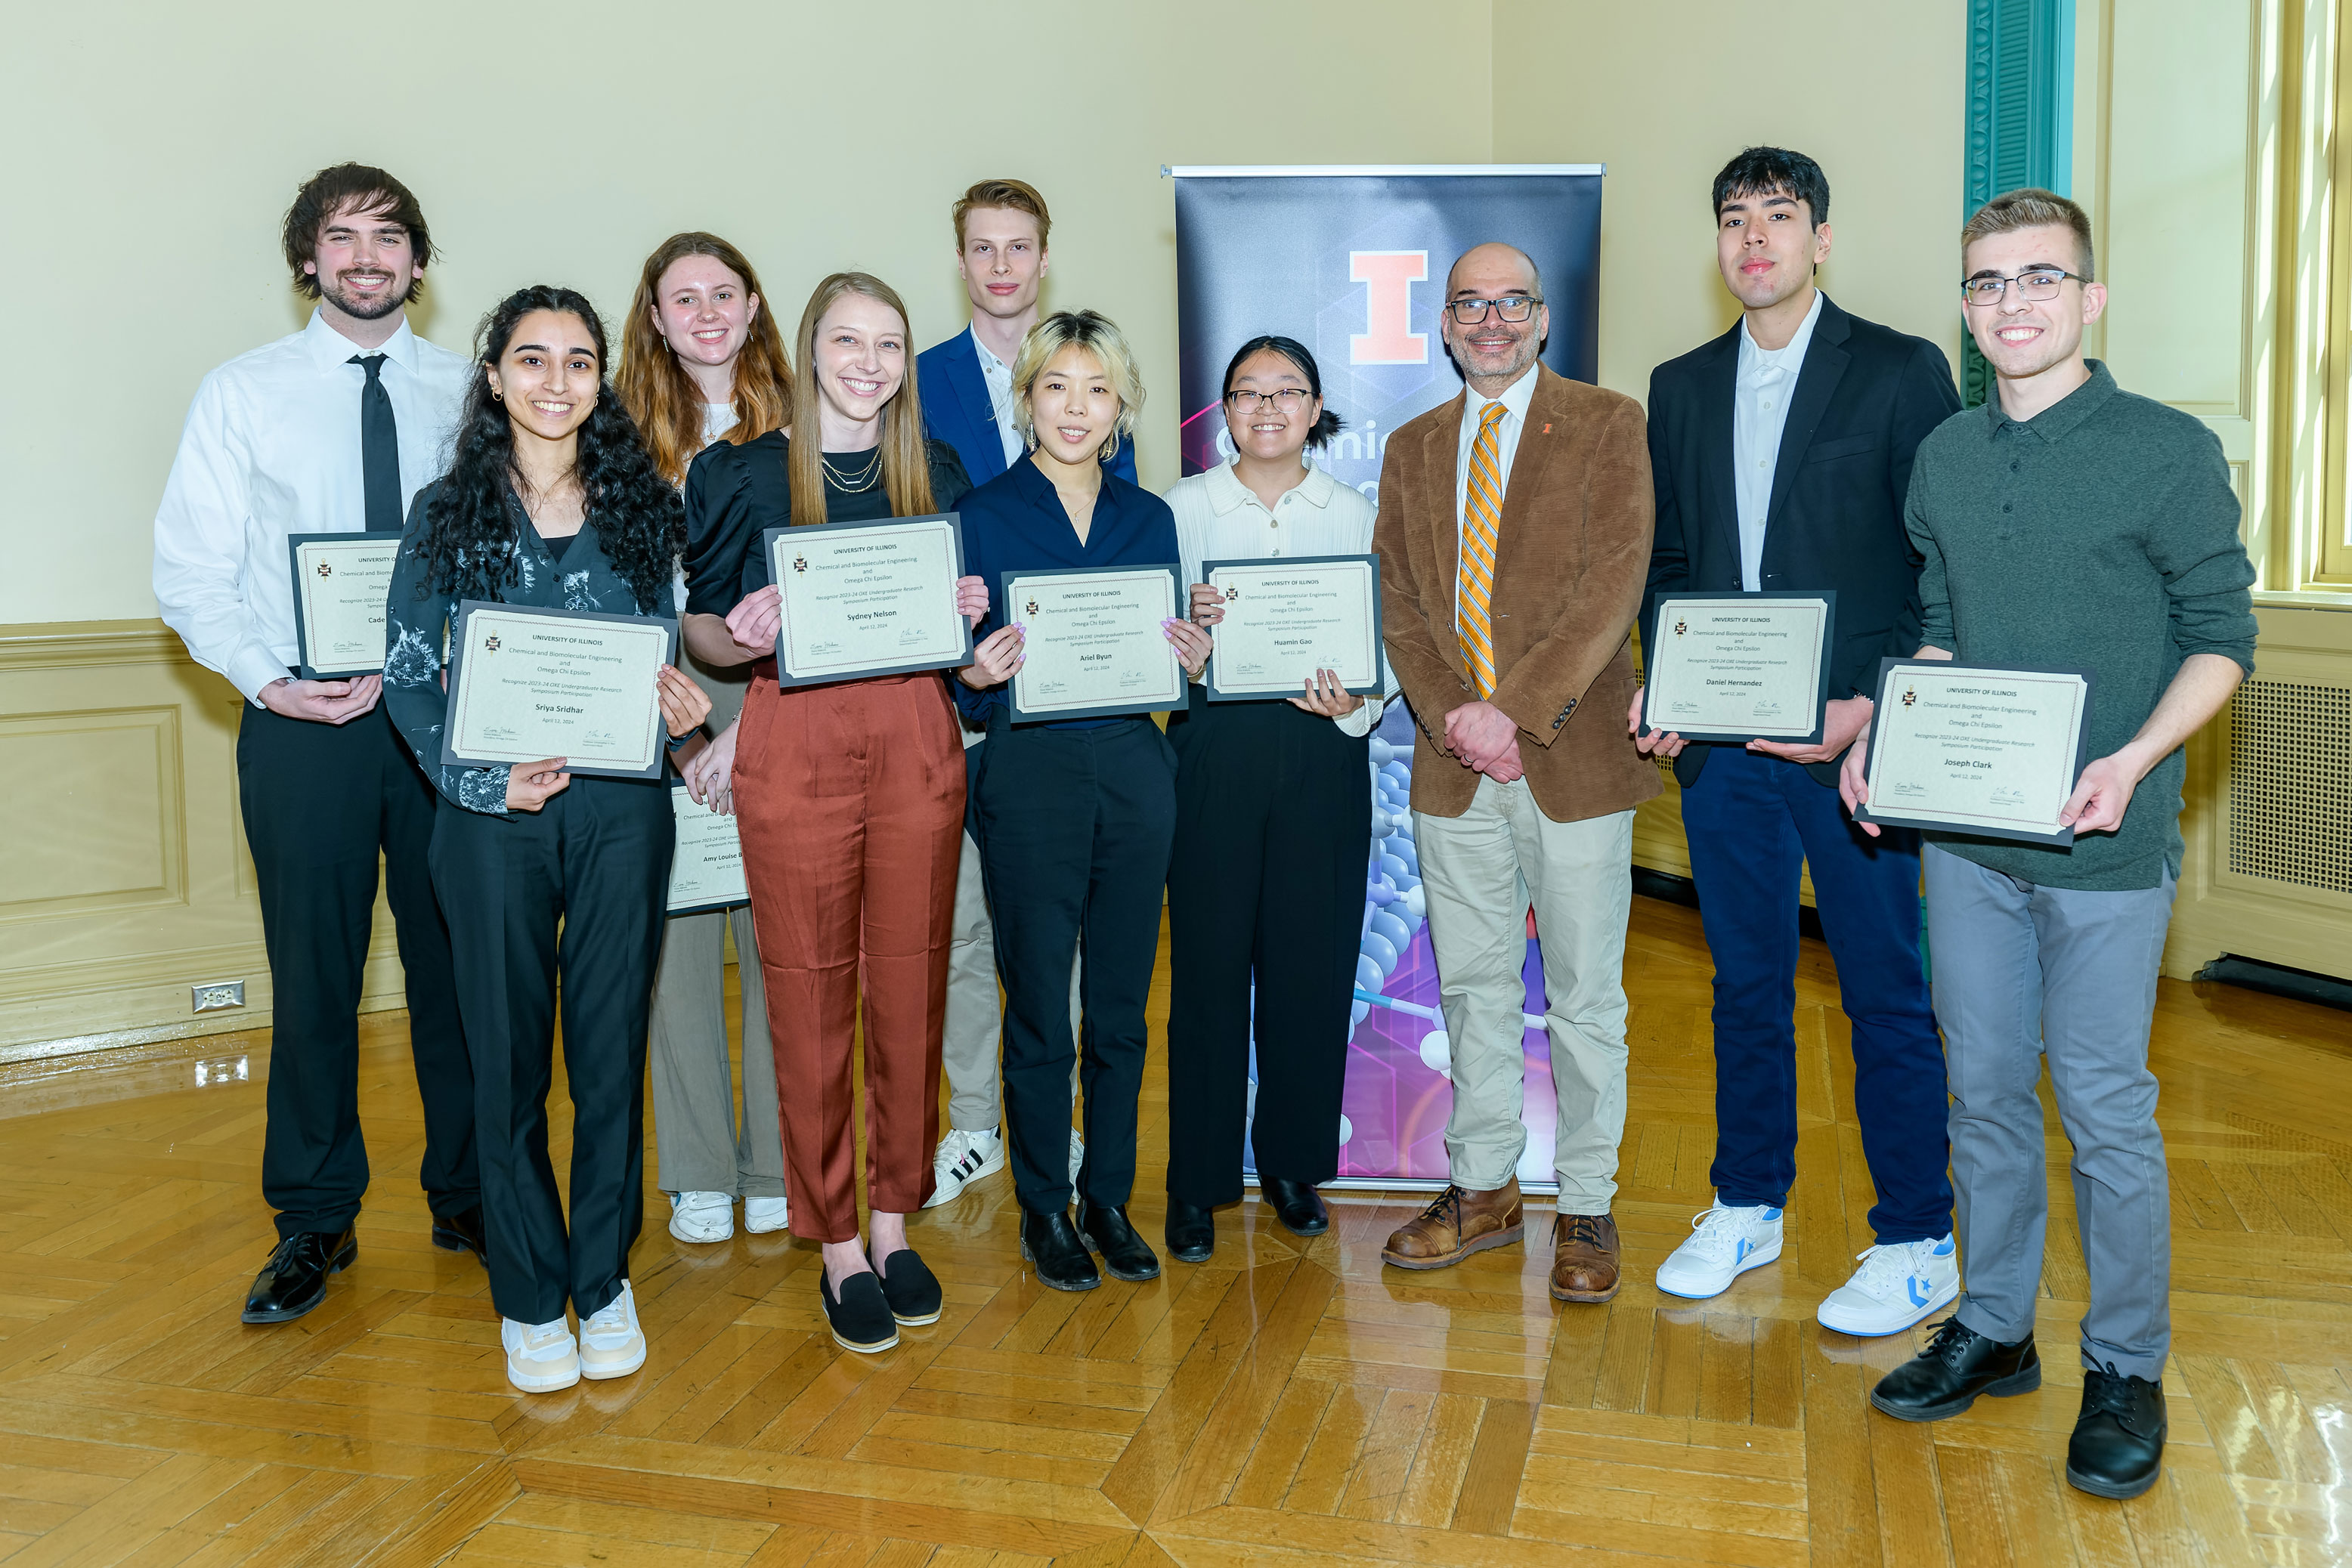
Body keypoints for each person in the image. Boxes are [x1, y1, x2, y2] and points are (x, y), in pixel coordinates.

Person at [1846, 189, 2255, 1502]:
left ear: (2087, 298)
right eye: (1986, 284)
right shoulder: (1947, 458)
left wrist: (2132, 764)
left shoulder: (2164, 450)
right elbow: (1942, 625)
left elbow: (2219, 640)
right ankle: (1994, 1325)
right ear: (1965, 312)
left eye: (2038, 279)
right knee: (1978, 1096)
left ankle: (2126, 1364)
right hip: (1965, 843)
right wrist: (1887, 741)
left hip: (2107, 847)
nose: (2011, 303)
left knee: (2103, 1110)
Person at [1633, 147, 1962, 1334]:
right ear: (1717, 244)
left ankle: (1920, 1234)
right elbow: (1671, 566)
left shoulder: (1899, 370)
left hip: (1858, 751)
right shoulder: (1678, 383)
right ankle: (1746, 1200)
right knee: (1745, 985)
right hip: (1725, 760)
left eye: (1779, 216)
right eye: (1734, 218)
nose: (1755, 237)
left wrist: (1873, 702)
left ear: (1822, 237)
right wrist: (1663, 679)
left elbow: (1943, 565)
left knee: (1884, 990)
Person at [152, 162, 481, 1327]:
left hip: (447, 725)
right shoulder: (241, 392)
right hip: (305, 726)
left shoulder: (474, 390)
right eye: (340, 238)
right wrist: (269, 683)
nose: (365, 257)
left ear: (419, 263)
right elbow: (191, 571)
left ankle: (470, 1192)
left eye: (388, 237)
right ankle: (313, 1215)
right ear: (308, 259)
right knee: (316, 977)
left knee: (460, 972)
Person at [382, 285, 712, 1394]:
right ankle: (530, 1294)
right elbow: (411, 675)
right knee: (507, 1057)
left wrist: (678, 707)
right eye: (532, 359)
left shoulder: (648, 506)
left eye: (578, 361)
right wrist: (483, 778)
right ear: (495, 379)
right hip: (490, 819)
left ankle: (602, 1276)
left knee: (611, 1049)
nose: (556, 381)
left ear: (599, 383)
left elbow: (664, 648)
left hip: (622, 808)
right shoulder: (443, 511)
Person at [679, 273, 985, 1354]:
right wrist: (742, 630)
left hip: (914, 733)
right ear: (809, 349)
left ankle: (895, 1224)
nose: (869, 361)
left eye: (889, 343)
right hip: (794, 736)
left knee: (910, 978)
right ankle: (837, 1242)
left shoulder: (936, 468)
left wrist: (970, 607)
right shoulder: (737, 471)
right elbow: (702, 633)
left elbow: (961, 623)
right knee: (807, 991)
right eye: (848, 340)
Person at [1372, 243, 1657, 1303]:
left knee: (1586, 997)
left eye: (1512, 303)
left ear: (1543, 320)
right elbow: (1399, 599)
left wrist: (1514, 711)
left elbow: (1614, 580)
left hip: (1569, 757)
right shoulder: (1410, 448)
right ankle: (1482, 1184)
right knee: (1474, 988)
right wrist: (1456, 714)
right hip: (1454, 766)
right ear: (1444, 325)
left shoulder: (1607, 422)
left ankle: (1585, 1198)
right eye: (1469, 305)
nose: (1490, 321)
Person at [956, 309, 1208, 1292]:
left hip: (1136, 780)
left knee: (1120, 1012)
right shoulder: (980, 513)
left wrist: (1192, 654)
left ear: (1121, 409)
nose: (1075, 406)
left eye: (1096, 389)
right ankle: (1043, 1205)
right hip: (1025, 779)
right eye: (1056, 385)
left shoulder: (1152, 518)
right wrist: (973, 667)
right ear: (1027, 400)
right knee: (1040, 1015)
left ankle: (1108, 1194)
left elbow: (1166, 659)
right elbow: (956, 678)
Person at [917, 178, 1128, 1206]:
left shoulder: (1087, 374)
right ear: (960, 259)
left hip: (1070, 724)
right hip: (956, 706)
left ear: (1045, 258)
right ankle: (973, 1121)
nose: (1003, 264)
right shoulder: (915, 384)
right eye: (984, 247)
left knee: (1068, 933)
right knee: (964, 925)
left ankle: (1067, 1125)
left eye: (1020, 246)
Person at [1162, 336, 1383, 1261]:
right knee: (1208, 972)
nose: (1265, 408)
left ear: (1316, 404)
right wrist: (1187, 642)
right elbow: (1148, 629)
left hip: (1323, 752)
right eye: (1246, 392)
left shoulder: (1356, 510)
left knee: (1311, 966)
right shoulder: (1180, 508)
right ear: (1222, 409)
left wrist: (1360, 704)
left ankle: (1294, 1164)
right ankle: (1197, 1181)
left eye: (1285, 391)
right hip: (1213, 746)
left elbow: (1393, 639)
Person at [615, 232, 794, 1245]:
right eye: (684, 299)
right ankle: (692, 1167)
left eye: (724, 292)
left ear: (756, 301)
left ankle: (776, 1157)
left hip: (781, 692)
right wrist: (677, 732)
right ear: (654, 317)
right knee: (676, 936)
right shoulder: (616, 432)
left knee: (784, 937)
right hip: (661, 694)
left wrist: (758, 711)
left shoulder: (808, 424)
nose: (707, 312)